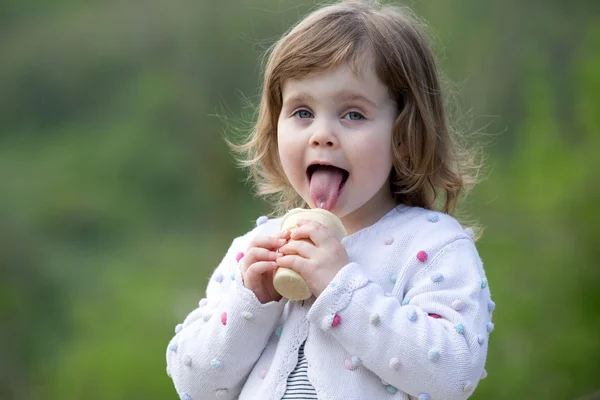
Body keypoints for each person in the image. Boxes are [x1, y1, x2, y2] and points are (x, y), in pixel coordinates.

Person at [166, 1, 494, 399]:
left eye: (353, 114)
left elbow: (453, 372)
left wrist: (342, 289)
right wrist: (251, 303)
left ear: (405, 134)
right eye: (302, 112)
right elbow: (194, 384)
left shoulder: (433, 245)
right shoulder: (255, 253)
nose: (321, 134)